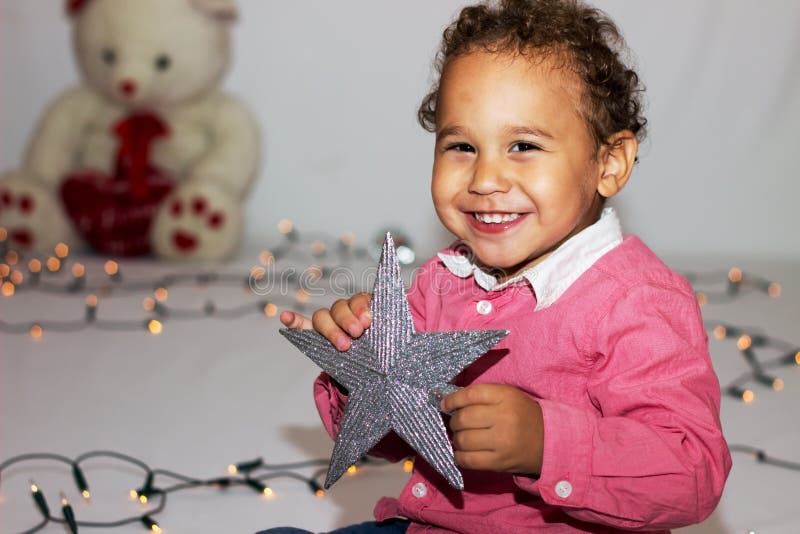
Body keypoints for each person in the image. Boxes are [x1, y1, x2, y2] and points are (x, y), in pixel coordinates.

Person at [270, 0, 732, 532]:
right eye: (462, 145)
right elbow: (392, 438)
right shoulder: (442, 281)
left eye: (523, 145)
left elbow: (692, 473)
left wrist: (544, 442)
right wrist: (359, 367)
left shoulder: (637, 303)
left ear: (609, 163)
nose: (486, 178)